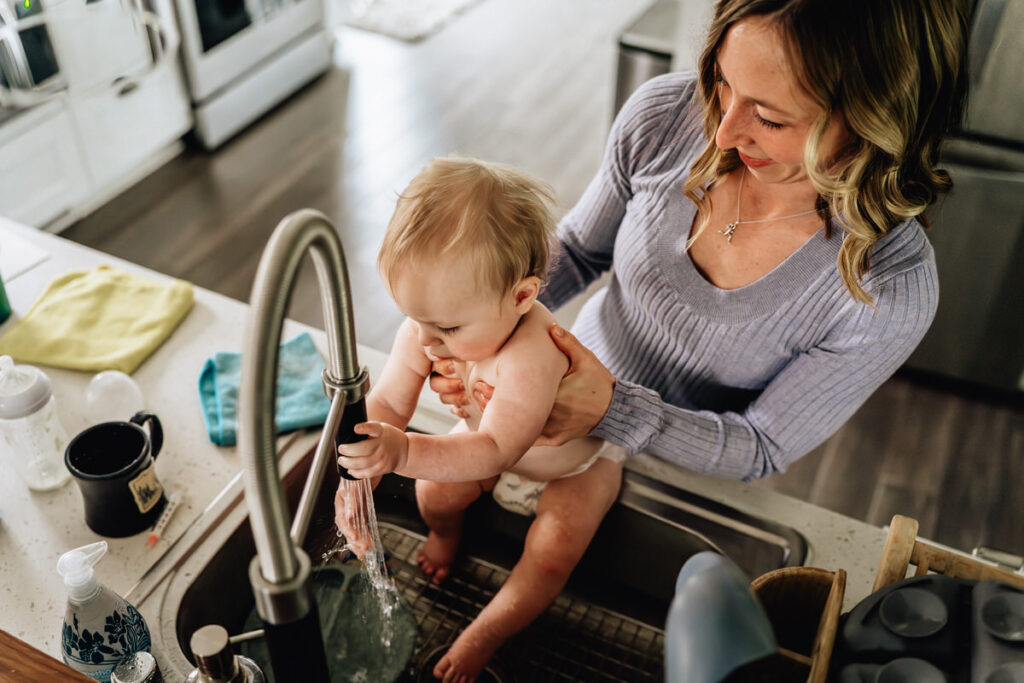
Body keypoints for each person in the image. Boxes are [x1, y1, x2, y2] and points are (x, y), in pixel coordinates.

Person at [429, 0, 970, 485]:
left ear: (873, 120)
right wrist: (476, 324)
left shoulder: (890, 290)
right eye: (722, 80)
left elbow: (762, 444)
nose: (723, 133)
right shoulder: (664, 117)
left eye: (770, 118)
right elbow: (578, 249)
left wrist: (613, 411)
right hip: (538, 399)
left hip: (677, 475)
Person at [334, 156, 626, 682]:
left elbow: (496, 448)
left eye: (444, 326)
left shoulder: (533, 353)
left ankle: (485, 633)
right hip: (478, 443)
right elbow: (391, 404)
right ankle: (447, 536)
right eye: (415, 318)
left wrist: (402, 452)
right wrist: (360, 473)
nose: (425, 340)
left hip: (574, 468)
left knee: (553, 551)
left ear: (521, 296)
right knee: (432, 494)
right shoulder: (431, 328)